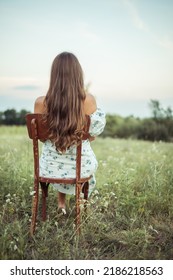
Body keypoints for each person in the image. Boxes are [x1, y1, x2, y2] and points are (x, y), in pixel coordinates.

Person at [34, 52, 106, 214]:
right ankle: (80, 204)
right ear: (78, 74)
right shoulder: (88, 101)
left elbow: (41, 138)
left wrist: (59, 138)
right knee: (77, 160)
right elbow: (93, 134)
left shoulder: (40, 103)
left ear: (54, 74)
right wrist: (78, 137)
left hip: (49, 167)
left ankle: (61, 204)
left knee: (59, 157)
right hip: (81, 167)